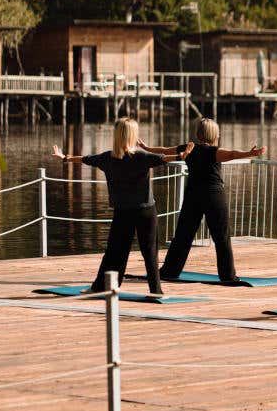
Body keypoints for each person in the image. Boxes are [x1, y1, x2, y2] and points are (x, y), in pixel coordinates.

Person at [51, 118, 193, 295]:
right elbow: (164, 159)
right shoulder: (141, 157)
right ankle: (155, 291)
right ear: (132, 135)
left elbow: (85, 159)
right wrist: (183, 155)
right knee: (149, 253)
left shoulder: (107, 158)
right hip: (145, 211)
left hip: (123, 212)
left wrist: (65, 158)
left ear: (117, 136)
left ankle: (101, 286)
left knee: (114, 252)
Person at [137, 118, 264, 284]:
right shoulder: (214, 151)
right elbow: (232, 154)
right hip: (213, 195)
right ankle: (227, 276)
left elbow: (164, 150)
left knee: (183, 235)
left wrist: (147, 148)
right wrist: (250, 153)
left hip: (193, 195)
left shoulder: (188, 149)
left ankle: (170, 271)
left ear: (198, 133)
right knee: (221, 237)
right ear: (214, 134)